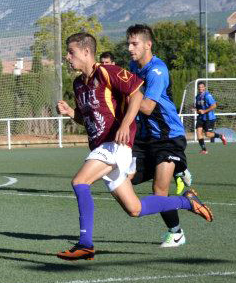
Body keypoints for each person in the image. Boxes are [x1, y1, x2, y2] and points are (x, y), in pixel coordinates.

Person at [56, 32, 213, 261]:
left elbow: (137, 95)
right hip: (102, 148)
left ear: (87, 51)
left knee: (80, 182)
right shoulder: (79, 84)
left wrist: (126, 124)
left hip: (115, 146)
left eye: (71, 52)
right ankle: (186, 201)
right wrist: (71, 113)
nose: (67, 57)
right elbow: (86, 119)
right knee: (135, 209)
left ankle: (85, 245)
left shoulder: (108, 72)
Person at [126, 24, 193, 248]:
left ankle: (176, 233)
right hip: (144, 140)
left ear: (148, 44)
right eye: (128, 43)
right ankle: (180, 171)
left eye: (134, 44)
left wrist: (124, 98)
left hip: (168, 138)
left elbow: (146, 106)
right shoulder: (132, 67)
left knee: (159, 190)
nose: (129, 48)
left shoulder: (157, 71)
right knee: (125, 181)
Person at [195, 81, 227, 154]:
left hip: (209, 118)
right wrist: (196, 110)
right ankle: (204, 150)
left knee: (208, 134)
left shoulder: (207, 95)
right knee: (198, 133)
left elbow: (214, 105)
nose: (200, 88)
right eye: (199, 87)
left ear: (204, 87)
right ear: (198, 88)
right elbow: (199, 108)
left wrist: (204, 111)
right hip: (201, 118)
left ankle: (220, 136)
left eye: (202, 87)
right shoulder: (197, 97)